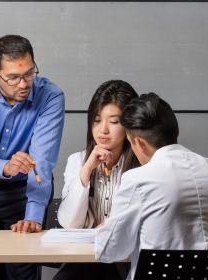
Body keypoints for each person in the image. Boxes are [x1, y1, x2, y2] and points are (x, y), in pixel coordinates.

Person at [95, 92, 208, 280]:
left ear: (139, 143)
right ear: (176, 131)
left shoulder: (138, 180)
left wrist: (107, 226)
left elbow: (108, 251)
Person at [0, 34, 65, 280]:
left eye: (29, 73)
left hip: (27, 191)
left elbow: (42, 161)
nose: (24, 84)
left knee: (23, 273)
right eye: (13, 78)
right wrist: (6, 166)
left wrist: (33, 215)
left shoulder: (50, 96)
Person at [54, 80, 139, 280]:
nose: (103, 130)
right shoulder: (77, 161)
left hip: (125, 260)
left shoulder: (141, 166)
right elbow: (70, 223)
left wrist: (109, 228)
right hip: (85, 259)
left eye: (114, 121)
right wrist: (87, 170)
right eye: (97, 120)